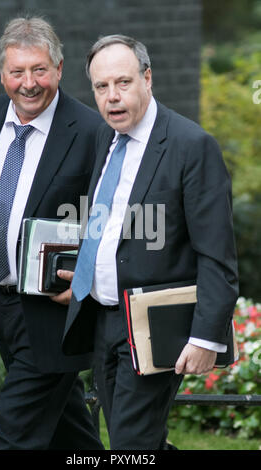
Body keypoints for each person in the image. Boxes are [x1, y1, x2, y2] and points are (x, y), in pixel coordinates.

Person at [57, 35, 239, 450]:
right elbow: (109, 223)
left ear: (148, 78)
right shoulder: (105, 139)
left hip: (155, 324)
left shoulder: (192, 146)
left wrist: (205, 338)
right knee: (134, 441)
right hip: (102, 319)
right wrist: (84, 274)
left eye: (123, 82)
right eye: (101, 87)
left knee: (130, 446)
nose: (112, 97)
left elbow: (217, 255)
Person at [0, 17, 104, 450]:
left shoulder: (91, 131)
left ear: (59, 69)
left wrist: (87, 271)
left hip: (53, 312)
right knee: (68, 429)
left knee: (13, 431)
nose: (29, 83)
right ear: (2, 74)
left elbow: (112, 217)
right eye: (17, 72)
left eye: (39, 70)